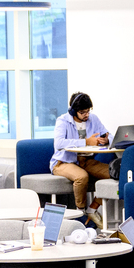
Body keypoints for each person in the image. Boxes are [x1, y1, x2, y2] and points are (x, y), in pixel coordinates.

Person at [51, 92, 112, 228]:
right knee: (82, 177)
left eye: (88, 111)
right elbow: (59, 144)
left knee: (113, 175)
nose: (86, 115)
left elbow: (108, 134)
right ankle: (80, 214)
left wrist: (106, 139)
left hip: (86, 161)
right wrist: (86, 141)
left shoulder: (93, 119)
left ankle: (92, 208)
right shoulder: (62, 121)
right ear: (73, 111)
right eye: (83, 112)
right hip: (63, 162)